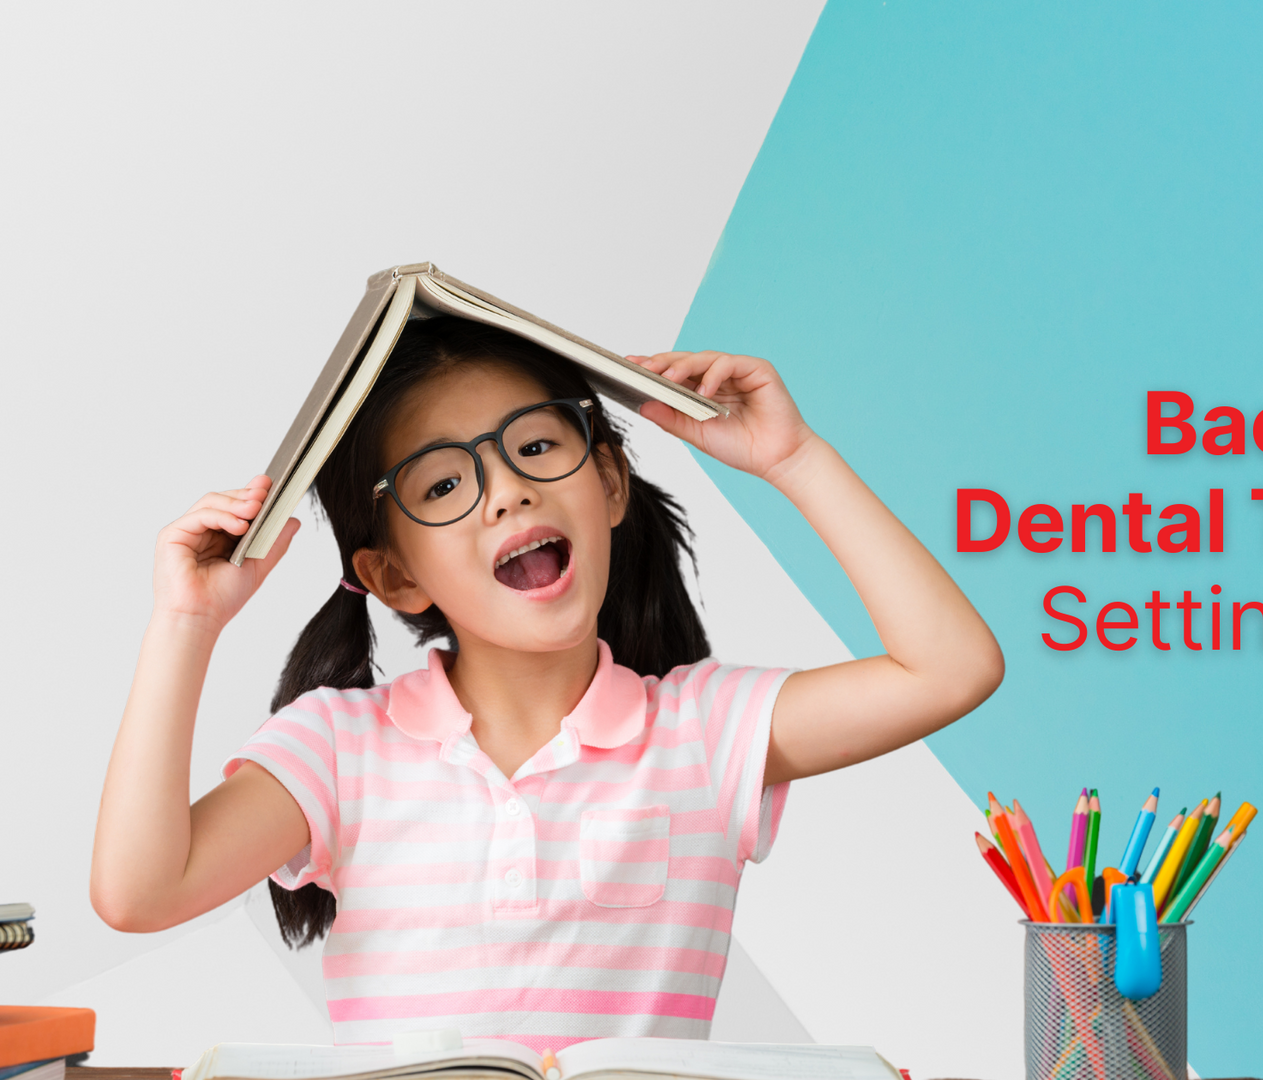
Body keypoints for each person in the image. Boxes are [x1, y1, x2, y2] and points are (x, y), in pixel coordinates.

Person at [90, 318, 1003, 1047]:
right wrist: (187, 622)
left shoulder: (704, 730)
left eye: (534, 447)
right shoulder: (339, 747)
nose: (507, 493)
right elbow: (140, 892)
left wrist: (793, 459)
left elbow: (951, 669)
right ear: (396, 577)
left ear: (608, 484)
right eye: (442, 486)